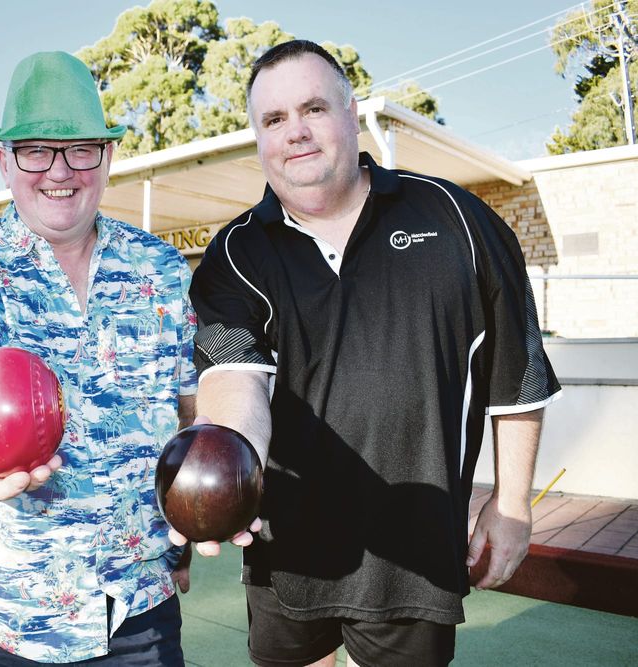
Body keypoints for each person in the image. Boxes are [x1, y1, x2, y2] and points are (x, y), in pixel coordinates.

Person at [184, 40, 562, 667]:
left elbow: (516, 374)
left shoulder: (457, 218)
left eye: (313, 109)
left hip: (415, 553)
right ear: (256, 136)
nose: (295, 133)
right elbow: (232, 381)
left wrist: (514, 503)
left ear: (352, 113)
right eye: (273, 120)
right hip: (287, 552)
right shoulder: (234, 255)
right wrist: (228, 463)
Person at [0, 51, 197, 665]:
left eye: (79, 150)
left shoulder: (164, 269)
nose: (58, 171)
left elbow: (186, 408)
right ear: (5, 161)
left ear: (107, 155)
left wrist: (190, 525)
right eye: (35, 150)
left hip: (137, 609)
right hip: (0, 618)